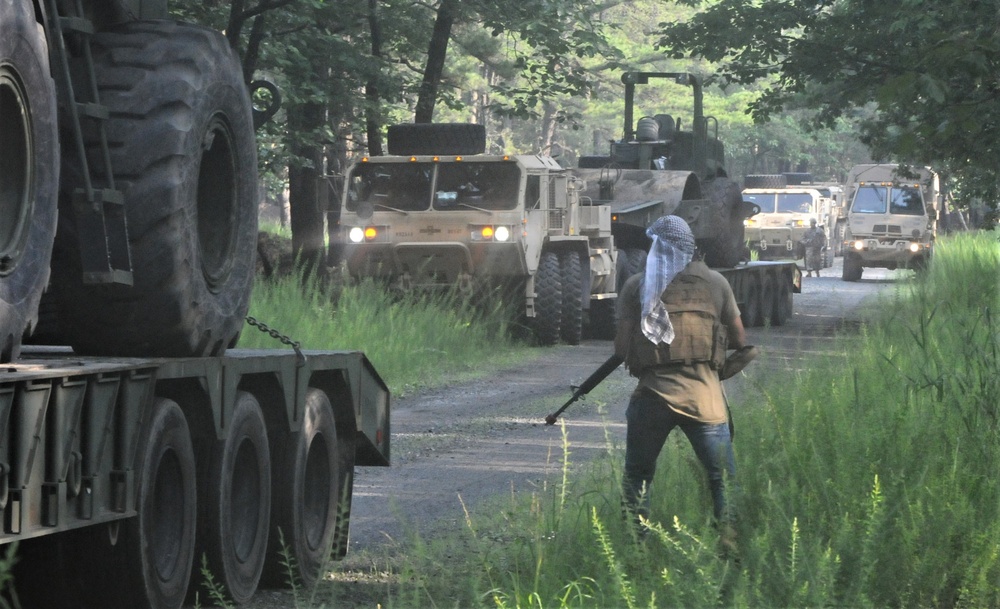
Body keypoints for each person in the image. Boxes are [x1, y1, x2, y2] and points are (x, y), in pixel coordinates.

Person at [614, 215, 753, 548]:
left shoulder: (637, 285)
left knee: (638, 477)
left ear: (655, 246)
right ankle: (728, 541)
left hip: (652, 397)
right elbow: (740, 339)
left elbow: (621, 350)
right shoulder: (716, 283)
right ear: (692, 247)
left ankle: (635, 547)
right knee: (722, 479)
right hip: (705, 399)